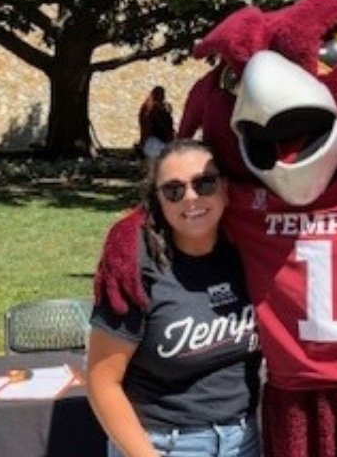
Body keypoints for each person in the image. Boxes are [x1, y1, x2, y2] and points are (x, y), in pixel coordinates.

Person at [87, 139, 261, 457]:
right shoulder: (135, 265)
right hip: (165, 444)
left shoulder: (246, 254)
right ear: (159, 201)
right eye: (174, 190)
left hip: (244, 438)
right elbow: (102, 381)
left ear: (224, 188)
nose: (191, 198)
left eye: (204, 183)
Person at [137, 86, 175, 160]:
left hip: (149, 142)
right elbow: (162, 127)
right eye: (162, 95)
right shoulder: (153, 109)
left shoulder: (148, 107)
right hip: (154, 142)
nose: (163, 97)